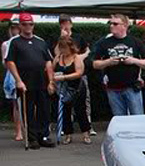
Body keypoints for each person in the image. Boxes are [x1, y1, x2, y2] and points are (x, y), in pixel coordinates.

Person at [5, 13, 55, 149]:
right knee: (28, 111)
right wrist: (18, 80)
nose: (28, 27)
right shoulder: (15, 42)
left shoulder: (41, 42)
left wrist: (51, 81)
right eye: (25, 24)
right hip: (26, 82)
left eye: (30, 24)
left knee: (44, 110)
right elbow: (10, 62)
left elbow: (48, 62)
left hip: (42, 81)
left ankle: (43, 136)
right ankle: (32, 138)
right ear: (20, 25)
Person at [93, 14, 145, 116]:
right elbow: (95, 64)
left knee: (137, 118)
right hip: (113, 88)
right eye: (110, 23)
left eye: (115, 24)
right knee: (119, 120)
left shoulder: (135, 42)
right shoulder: (104, 43)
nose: (111, 26)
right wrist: (108, 62)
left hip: (132, 87)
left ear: (124, 25)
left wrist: (133, 60)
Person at [55, 14, 94, 136]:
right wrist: (60, 39)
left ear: (71, 24)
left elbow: (88, 51)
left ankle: (87, 130)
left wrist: (81, 57)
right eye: (62, 23)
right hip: (64, 84)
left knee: (82, 107)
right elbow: (55, 55)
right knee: (65, 108)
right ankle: (67, 132)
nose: (65, 25)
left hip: (78, 82)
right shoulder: (57, 40)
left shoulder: (78, 37)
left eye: (67, 23)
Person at [53, 37, 91, 145]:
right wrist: (52, 82)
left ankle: (86, 134)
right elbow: (52, 69)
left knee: (80, 111)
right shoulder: (58, 58)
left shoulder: (76, 58)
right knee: (65, 111)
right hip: (62, 89)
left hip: (77, 88)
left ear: (71, 48)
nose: (63, 51)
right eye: (61, 48)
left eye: (65, 48)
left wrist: (64, 77)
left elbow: (79, 73)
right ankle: (67, 135)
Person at [2, 18, 23, 142]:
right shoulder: (6, 44)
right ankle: (18, 131)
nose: (15, 29)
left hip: (26, 72)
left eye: (17, 26)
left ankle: (30, 129)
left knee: (31, 103)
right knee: (16, 104)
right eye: (13, 27)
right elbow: (5, 63)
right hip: (12, 75)